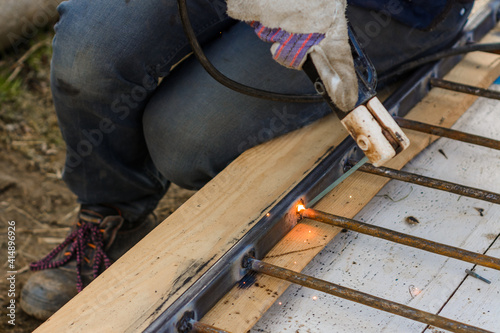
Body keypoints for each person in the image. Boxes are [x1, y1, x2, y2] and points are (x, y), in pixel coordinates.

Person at [20, 0, 474, 320]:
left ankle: (391, 52)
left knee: (182, 138)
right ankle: (112, 212)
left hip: (387, 7)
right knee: (89, 49)